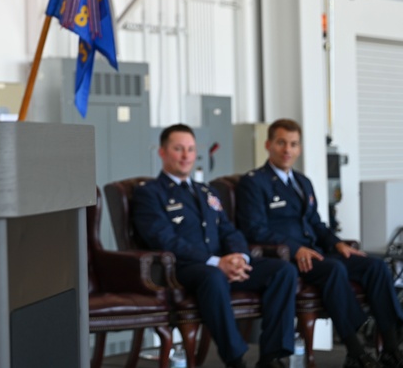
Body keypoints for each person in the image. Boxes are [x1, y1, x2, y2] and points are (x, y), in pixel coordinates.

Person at [238, 118, 400, 368]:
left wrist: (337, 244)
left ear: (299, 148)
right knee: (333, 270)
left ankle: (391, 348)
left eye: (293, 144)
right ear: (268, 145)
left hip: (317, 252)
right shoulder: (254, 182)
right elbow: (254, 229)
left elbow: (316, 224)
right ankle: (355, 351)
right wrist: (295, 249)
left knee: (376, 266)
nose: (287, 150)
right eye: (281, 143)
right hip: (286, 258)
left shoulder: (303, 182)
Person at [133, 124, 297, 368]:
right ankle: (235, 359)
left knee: (283, 271)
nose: (186, 155)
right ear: (162, 152)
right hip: (183, 267)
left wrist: (239, 257)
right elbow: (163, 239)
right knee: (213, 277)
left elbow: (228, 230)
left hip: (221, 264)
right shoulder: (150, 193)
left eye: (190, 149)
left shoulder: (205, 191)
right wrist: (216, 262)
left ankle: (272, 357)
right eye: (178, 149)